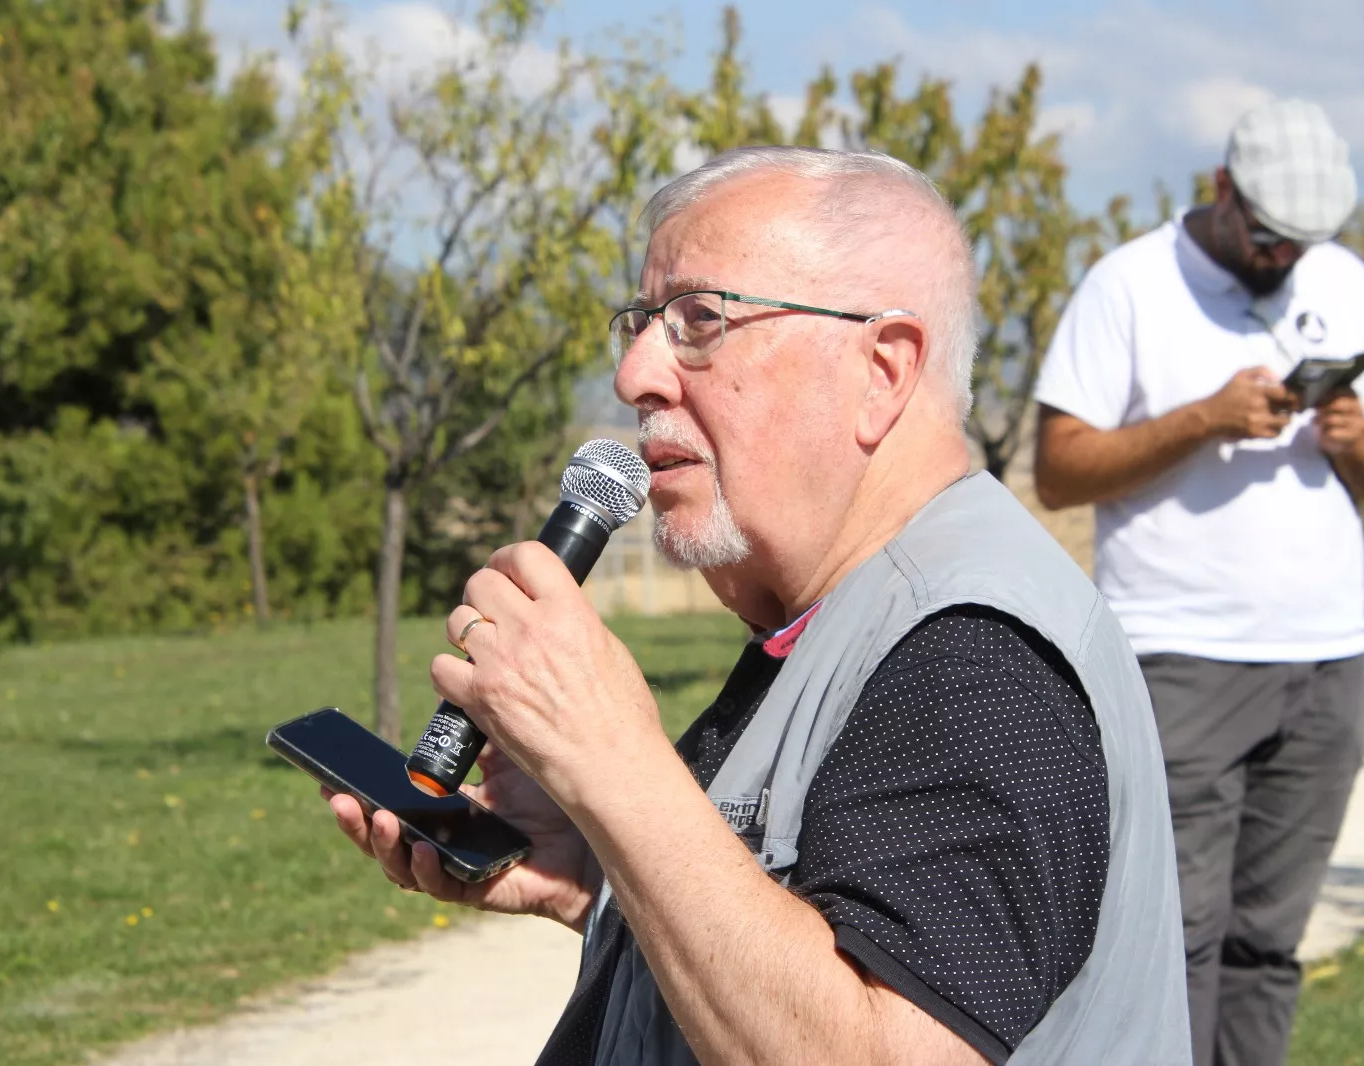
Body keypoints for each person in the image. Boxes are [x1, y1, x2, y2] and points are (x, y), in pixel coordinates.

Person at [325, 145, 1190, 1066]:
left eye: (700, 319)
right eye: (641, 325)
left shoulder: (976, 658)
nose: (636, 376)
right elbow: (795, 954)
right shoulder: (836, 620)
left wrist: (615, 764)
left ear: (883, 370)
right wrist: (598, 869)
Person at [1033, 100, 1364, 1066]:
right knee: (1178, 939)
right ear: (1223, 191)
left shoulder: (1342, 278)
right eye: (1271, 234)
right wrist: (1201, 420)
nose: (1287, 257)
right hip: (1180, 659)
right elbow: (1059, 468)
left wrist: (1356, 438)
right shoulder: (1129, 284)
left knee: (1267, 945)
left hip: (1327, 662)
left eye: (1305, 240)